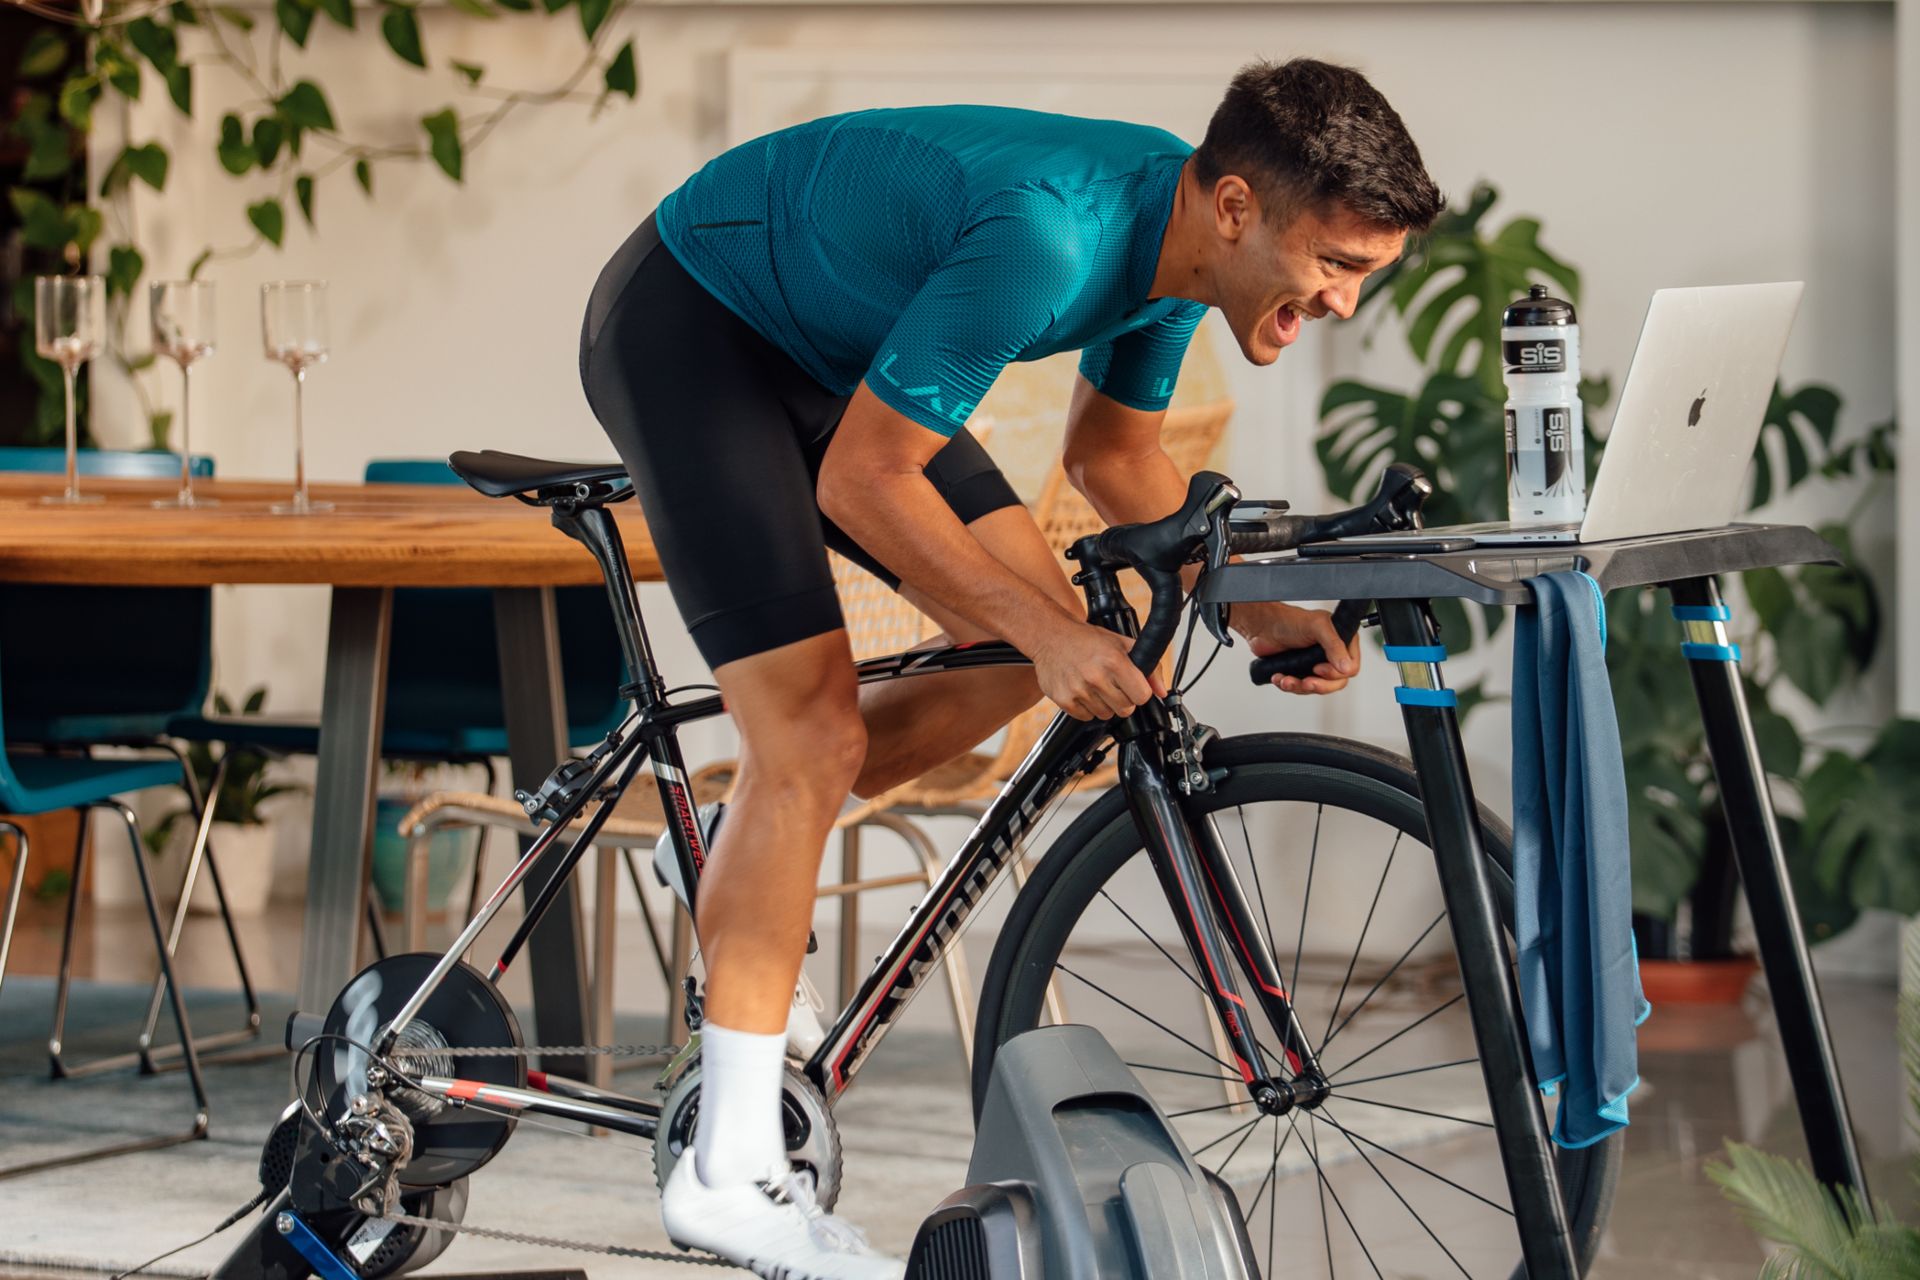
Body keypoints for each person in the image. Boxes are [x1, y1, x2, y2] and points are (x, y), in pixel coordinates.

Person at [578, 55, 1444, 1280]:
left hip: (830, 351)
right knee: (816, 734)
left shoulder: (1182, 250)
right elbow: (864, 479)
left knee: (1011, 657)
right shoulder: (1053, 240)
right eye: (1337, 263)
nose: (1345, 301)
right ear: (1238, 208)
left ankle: (733, 845)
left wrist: (1257, 611)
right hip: (698, 322)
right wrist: (1050, 630)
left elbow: (1114, 458)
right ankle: (729, 1173)